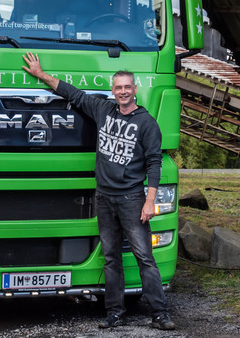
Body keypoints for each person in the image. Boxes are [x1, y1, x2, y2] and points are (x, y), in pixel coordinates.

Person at [21, 52, 176, 331]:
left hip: (132, 200)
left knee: (144, 258)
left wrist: (149, 201)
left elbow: (155, 163)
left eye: (127, 87)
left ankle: (160, 313)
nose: (123, 91)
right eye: (118, 87)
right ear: (113, 90)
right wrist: (41, 75)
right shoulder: (103, 110)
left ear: (135, 89)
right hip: (104, 198)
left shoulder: (147, 123)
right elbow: (74, 94)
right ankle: (115, 313)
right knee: (111, 258)